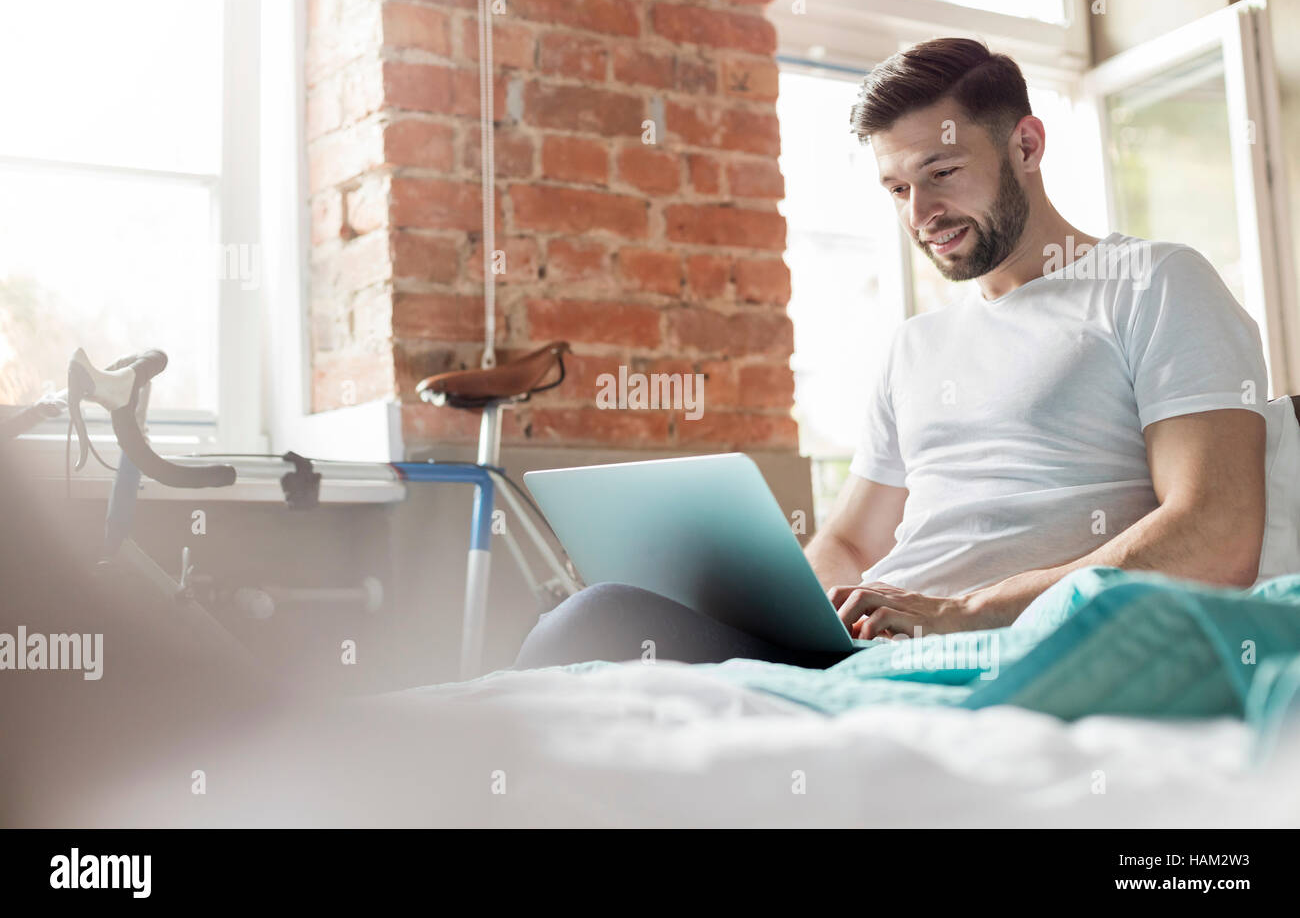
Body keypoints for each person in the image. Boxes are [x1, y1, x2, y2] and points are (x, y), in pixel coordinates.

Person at [514, 37, 1274, 671]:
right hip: (866, 653)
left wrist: (966, 612)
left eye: (941, 174)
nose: (923, 214)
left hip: (982, 650)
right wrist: (795, 614)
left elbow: (1216, 531)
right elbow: (850, 540)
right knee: (597, 623)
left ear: (1027, 144)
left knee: (595, 623)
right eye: (896, 189)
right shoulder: (917, 345)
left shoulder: (1153, 284)